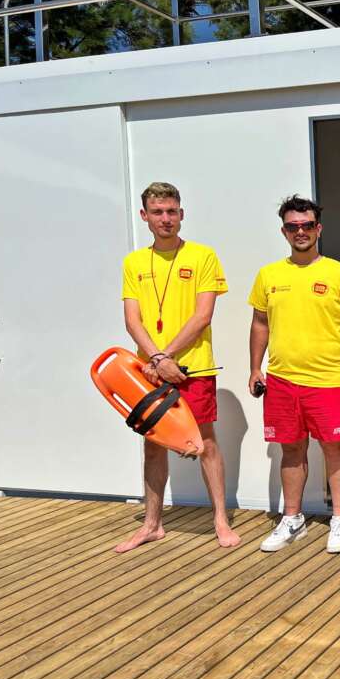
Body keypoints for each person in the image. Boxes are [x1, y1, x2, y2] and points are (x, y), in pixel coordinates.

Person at [118, 182, 239, 552]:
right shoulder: (134, 262)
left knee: (204, 442)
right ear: (145, 216)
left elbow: (202, 316)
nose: (165, 218)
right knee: (154, 446)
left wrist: (166, 356)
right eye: (157, 212)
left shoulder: (203, 256)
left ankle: (220, 520)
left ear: (182, 214)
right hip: (149, 372)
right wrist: (157, 360)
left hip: (193, 368)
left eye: (171, 211)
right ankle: (152, 524)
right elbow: (132, 321)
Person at [249, 195, 340, 553]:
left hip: (328, 379)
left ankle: (339, 519)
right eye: (293, 226)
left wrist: (338, 346)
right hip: (282, 379)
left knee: (334, 448)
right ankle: (293, 519)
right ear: (284, 231)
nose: (300, 232)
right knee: (291, 449)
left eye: (306, 225)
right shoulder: (269, 275)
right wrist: (255, 367)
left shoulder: (339, 273)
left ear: (318, 228)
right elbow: (260, 323)